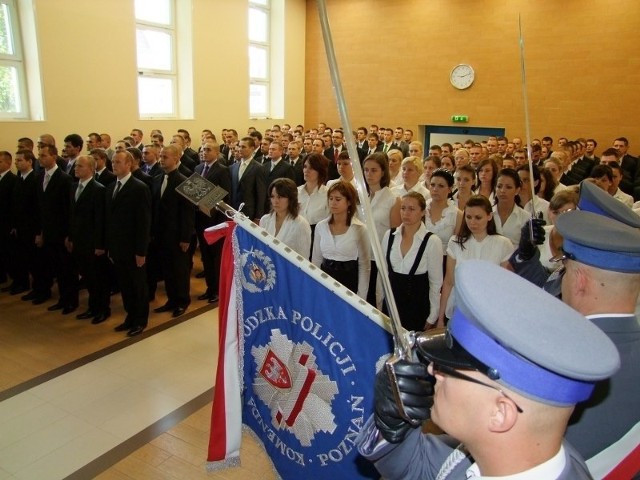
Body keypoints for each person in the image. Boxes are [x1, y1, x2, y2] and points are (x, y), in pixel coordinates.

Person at [358, 260, 620, 479]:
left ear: (500, 412)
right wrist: (392, 422)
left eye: (449, 368)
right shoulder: (503, 458)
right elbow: (417, 469)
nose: (432, 370)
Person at [437, 195, 514, 326]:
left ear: (489, 216)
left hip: (490, 310)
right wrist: (440, 319)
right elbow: (449, 282)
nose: (472, 222)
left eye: (478, 217)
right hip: (460, 307)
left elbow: (505, 284)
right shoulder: (455, 242)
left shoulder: (503, 244)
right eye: (468, 217)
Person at [382, 192, 443, 331]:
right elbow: (384, 273)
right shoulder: (390, 236)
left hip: (417, 305)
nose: (406, 213)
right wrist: (380, 303)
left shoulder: (432, 241)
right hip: (392, 303)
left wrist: (433, 315)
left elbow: (436, 282)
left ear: (422, 212)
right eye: (403, 208)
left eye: (412, 209)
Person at [106, 151, 152, 337]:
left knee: (137, 286)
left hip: (134, 248)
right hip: (118, 247)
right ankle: (130, 316)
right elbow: (110, 221)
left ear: (129, 165)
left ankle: (140, 320)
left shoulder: (139, 188)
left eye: (118, 162)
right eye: (113, 162)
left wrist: (141, 251)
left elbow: (143, 223)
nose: (114, 165)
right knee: (125, 285)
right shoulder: (111, 187)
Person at [151, 145, 195, 318]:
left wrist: (186, 237)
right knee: (167, 269)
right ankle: (171, 299)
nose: (162, 159)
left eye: (165, 157)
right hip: (161, 235)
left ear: (176, 159)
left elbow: (188, 213)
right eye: (161, 156)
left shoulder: (186, 181)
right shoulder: (158, 177)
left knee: (180, 270)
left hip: (178, 236)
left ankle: (182, 301)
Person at [67, 155, 111, 324]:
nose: (75, 169)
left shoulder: (98, 189)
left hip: (93, 242)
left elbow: (101, 219)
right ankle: (92, 307)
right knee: (88, 277)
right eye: (76, 165)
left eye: (80, 166)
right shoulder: (73, 187)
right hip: (79, 241)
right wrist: (70, 237)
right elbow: (72, 215)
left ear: (91, 169)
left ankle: (102, 309)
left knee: (98, 278)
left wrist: (100, 244)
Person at [311, 181, 370, 297]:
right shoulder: (321, 226)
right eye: (331, 198)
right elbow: (316, 260)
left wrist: (361, 296)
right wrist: (314, 288)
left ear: (348, 202)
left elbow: (364, 266)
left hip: (349, 282)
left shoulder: (359, 229)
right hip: (325, 280)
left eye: (338, 199)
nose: (333, 203)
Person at [361, 153, 401, 307]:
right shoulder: (360, 197)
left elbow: (394, 235)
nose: (368, 174)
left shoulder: (392, 199)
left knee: (373, 300)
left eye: (374, 170)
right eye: (366, 170)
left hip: (378, 259)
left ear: (383, 172)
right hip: (358, 256)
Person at [194, 140, 231, 304]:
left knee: (216, 258)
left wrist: (206, 203)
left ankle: (217, 290)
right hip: (201, 219)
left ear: (216, 152)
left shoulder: (223, 170)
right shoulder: (198, 168)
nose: (204, 152)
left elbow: (225, 194)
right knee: (205, 258)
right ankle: (209, 288)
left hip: (215, 219)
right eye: (202, 150)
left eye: (208, 150)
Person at [260, 178, 311, 257]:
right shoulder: (264, 220)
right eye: (273, 196)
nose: (275, 201)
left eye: (280, 197)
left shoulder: (301, 224)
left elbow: (303, 259)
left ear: (291, 199)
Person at [424, 169, 463, 266]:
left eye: (441, 186)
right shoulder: (421, 209)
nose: (435, 189)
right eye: (432, 185)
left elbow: (457, 248)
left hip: (445, 262)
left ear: (450, 189)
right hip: (421, 260)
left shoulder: (457, 214)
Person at [492, 168, 530, 246]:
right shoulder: (487, 213)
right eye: (499, 186)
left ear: (517, 190)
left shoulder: (526, 217)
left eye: (508, 187)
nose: (502, 190)